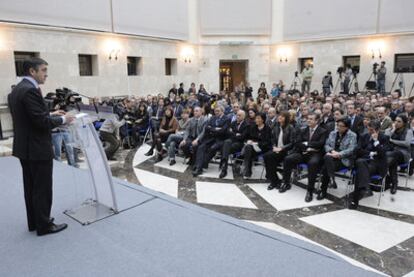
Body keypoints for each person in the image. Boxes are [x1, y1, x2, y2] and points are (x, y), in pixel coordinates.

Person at [8, 58, 74, 236]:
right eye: (43, 70)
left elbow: (28, 117)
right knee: (42, 188)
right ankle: (44, 225)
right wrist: (62, 119)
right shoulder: (30, 90)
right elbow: (39, 122)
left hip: (25, 148)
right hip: (37, 148)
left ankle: (35, 223)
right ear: (32, 71)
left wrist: (50, 113)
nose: (46, 73)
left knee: (30, 187)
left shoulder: (17, 90)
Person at [281, 113, 327, 196]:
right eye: (308, 118)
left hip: (315, 154)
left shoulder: (322, 131)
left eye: (311, 119)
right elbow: (298, 142)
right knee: (288, 159)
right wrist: (306, 148)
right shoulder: (303, 130)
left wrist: (307, 143)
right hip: (303, 152)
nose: (308, 120)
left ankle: (310, 190)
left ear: (316, 121)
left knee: (313, 163)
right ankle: (286, 182)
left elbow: (321, 143)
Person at [350, 120, 390, 209]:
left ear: (378, 129)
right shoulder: (364, 136)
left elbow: (382, 154)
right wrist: (371, 153)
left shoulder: (384, 138)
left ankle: (355, 200)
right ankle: (364, 187)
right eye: (369, 129)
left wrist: (376, 141)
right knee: (360, 163)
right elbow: (357, 150)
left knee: (360, 171)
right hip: (365, 161)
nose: (370, 132)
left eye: (372, 130)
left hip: (376, 164)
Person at [318, 118, 357, 201]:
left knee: (326, 165)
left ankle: (323, 190)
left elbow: (351, 149)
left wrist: (339, 154)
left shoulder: (352, 135)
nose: (338, 127)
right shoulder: (332, 133)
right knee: (327, 160)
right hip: (331, 156)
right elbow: (326, 144)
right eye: (337, 125)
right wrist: (332, 151)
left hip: (343, 159)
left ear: (347, 127)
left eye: (341, 126)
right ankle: (331, 180)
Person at [264, 111, 296, 190]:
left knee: (271, 157)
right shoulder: (276, 127)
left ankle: (280, 182)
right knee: (266, 156)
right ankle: (274, 180)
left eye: (282, 116)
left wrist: (281, 148)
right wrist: (274, 146)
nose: (280, 117)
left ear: (287, 118)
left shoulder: (290, 128)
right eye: (279, 116)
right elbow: (273, 139)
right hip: (277, 150)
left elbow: (292, 143)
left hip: (286, 151)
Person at [385, 114, 413, 194]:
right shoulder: (391, 129)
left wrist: (393, 141)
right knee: (393, 160)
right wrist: (393, 130)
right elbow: (386, 139)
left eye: (399, 121)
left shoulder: (408, 131)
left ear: (404, 123)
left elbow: (407, 143)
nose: (396, 123)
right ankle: (394, 183)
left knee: (394, 155)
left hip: (404, 154)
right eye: (395, 121)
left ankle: (387, 178)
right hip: (392, 154)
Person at [219, 110, 249, 178]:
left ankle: (224, 164)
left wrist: (233, 133)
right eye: (237, 115)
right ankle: (224, 168)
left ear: (243, 117)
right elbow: (228, 133)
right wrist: (236, 134)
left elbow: (242, 137)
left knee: (225, 146)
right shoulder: (233, 123)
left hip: (240, 144)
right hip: (231, 142)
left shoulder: (247, 125)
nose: (237, 116)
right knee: (227, 142)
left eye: (239, 115)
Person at [241, 112, 271, 179]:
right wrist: (248, 141)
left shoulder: (267, 129)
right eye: (256, 118)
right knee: (248, 148)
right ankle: (248, 172)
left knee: (248, 151)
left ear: (263, 120)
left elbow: (268, 142)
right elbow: (247, 137)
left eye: (258, 118)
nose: (256, 120)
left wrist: (257, 143)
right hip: (252, 148)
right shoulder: (253, 127)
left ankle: (247, 172)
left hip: (263, 148)